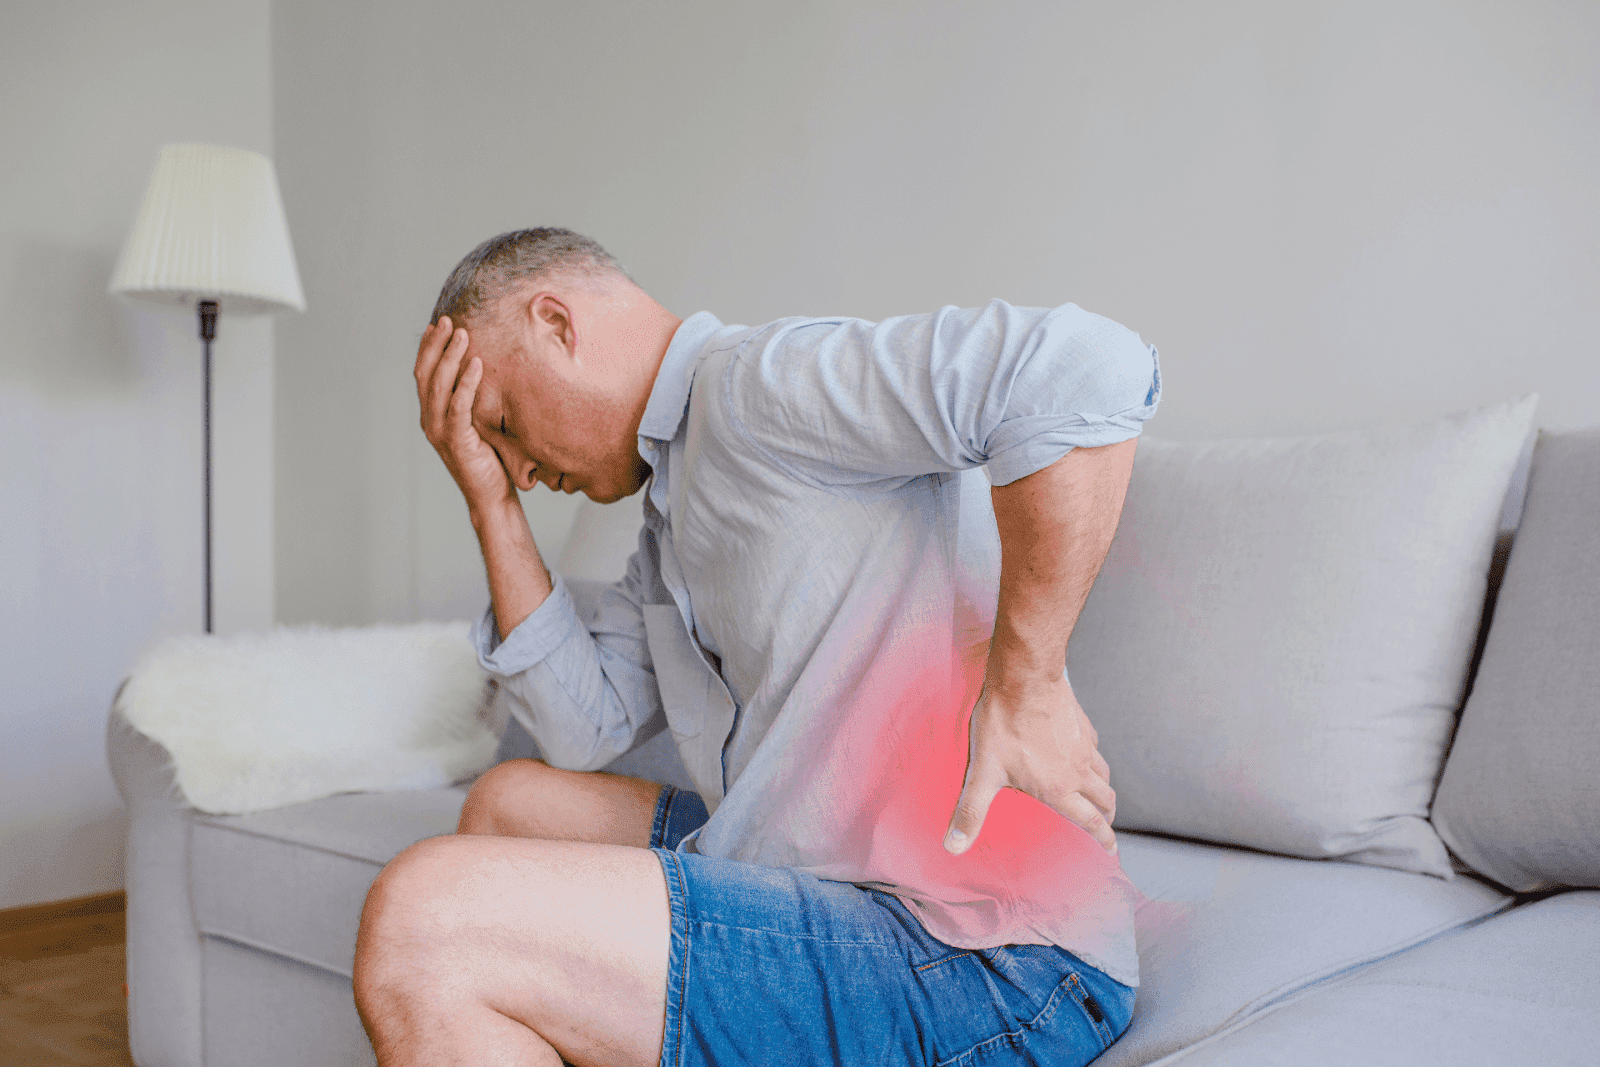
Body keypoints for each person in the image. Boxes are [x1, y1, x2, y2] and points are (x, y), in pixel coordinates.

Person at [352, 227, 1161, 1067]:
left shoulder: (759, 387)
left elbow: (1085, 364)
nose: (517, 468)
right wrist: (490, 504)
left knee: (424, 920)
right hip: (832, 885)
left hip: (986, 954)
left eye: (504, 427)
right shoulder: (667, 524)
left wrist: (1027, 683)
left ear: (559, 325)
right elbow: (580, 728)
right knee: (512, 803)